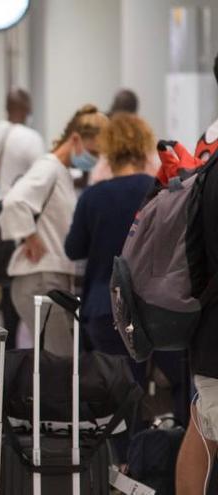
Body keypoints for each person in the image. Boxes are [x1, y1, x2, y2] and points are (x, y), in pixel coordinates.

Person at [65, 113, 186, 462]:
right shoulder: (163, 190)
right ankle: (173, 461)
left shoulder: (94, 197)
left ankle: (123, 467)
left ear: (109, 149)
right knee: (181, 384)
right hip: (162, 309)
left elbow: (74, 249)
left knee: (118, 393)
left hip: (108, 309)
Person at [0, 104, 108, 356]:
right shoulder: (48, 167)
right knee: (61, 361)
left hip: (50, 277)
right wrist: (30, 235)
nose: (93, 158)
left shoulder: (61, 172)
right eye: (92, 151)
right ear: (75, 139)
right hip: (41, 276)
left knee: (60, 358)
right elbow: (15, 201)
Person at [177, 51, 218, 495]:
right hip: (214, 335)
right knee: (204, 432)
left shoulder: (207, 170)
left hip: (208, 332)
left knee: (203, 429)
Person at [0, 88, 45, 197]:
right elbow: (42, 176)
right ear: (27, 109)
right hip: (19, 204)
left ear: (7, 107)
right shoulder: (32, 138)